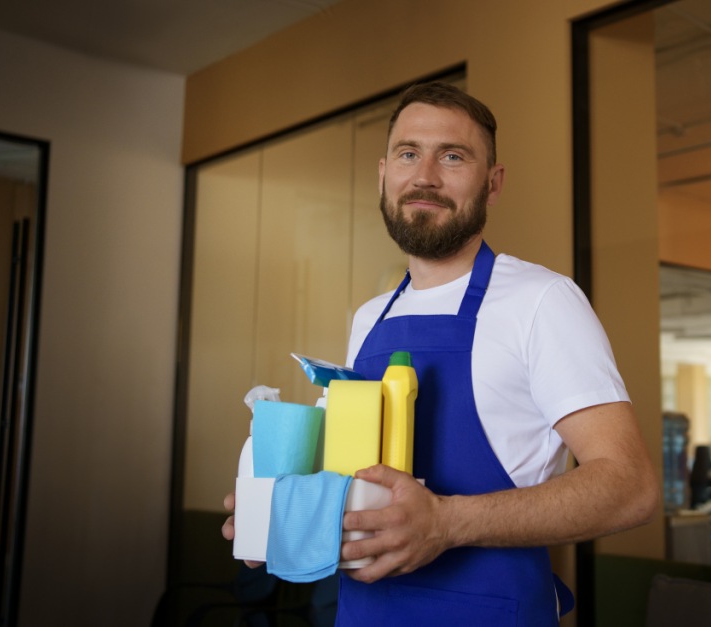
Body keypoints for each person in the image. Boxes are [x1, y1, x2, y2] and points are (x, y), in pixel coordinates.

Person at [223, 81, 659, 626]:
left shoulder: (541, 300)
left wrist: (447, 522)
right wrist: (290, 515)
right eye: (409, 154)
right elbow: (363, 484)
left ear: (492, 183)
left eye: (452, 156)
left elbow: (630, 486)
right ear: (384, 174)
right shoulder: (369, 318)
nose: (425, 176)